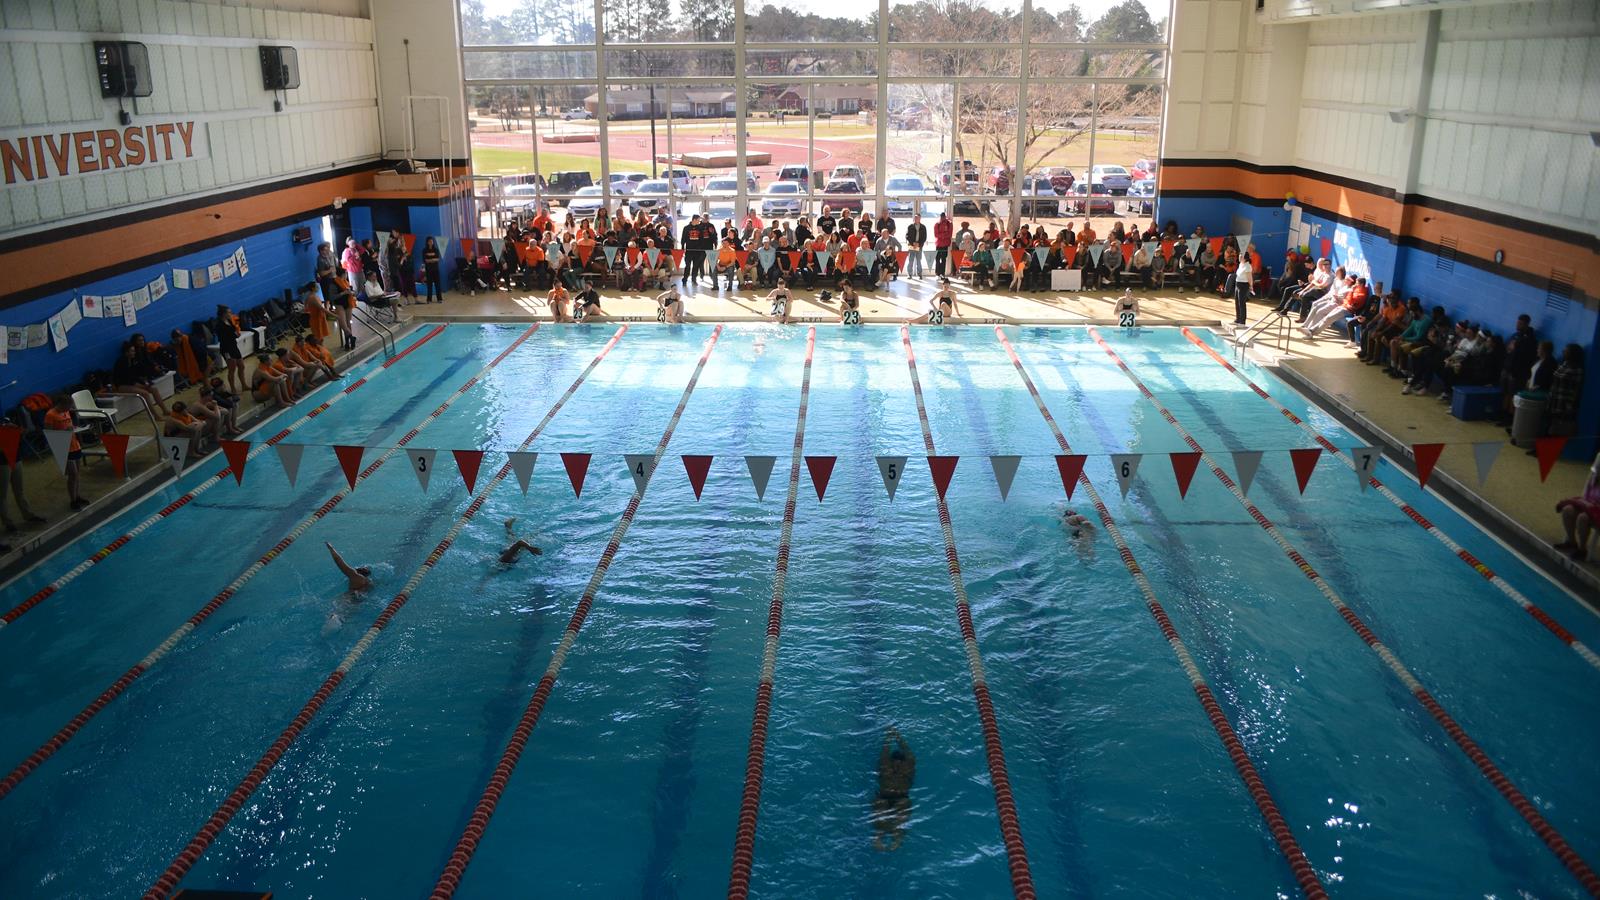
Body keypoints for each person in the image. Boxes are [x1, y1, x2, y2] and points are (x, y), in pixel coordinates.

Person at [872, 726, 915, 852]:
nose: (897, 765)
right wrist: (890, 736)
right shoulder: (886, 765)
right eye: (895, 762)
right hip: (883, 797)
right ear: (891, 761)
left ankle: (897, 838)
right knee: (881, 804)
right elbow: (886, 751)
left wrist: (896, 736)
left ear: (903, 762)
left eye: (899, 762)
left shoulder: (907, 766)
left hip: (902, 798)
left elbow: (908, 752)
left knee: (903, 805)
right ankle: (879, 837)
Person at [42, 396, 88, 511]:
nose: (69, 409)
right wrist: (64, 432)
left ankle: (77, 496)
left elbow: (69, 427)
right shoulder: (50, 415)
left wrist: (75, 429)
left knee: (77, 474)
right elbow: (49, 434)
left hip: (74, 445)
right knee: (72, 474)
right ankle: (72, 501)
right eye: (68, 406)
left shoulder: (66, 412)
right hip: (63, 447)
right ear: (62, 404)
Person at [1555, 454, 1600, 561]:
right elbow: (1585, 495)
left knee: (1583, 518)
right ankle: (1571, 542)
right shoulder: (1594, 477)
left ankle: (1582, 549)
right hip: (1589, 507)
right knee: (1568, 510)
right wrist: (1584, 504)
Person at [112, 338, 171, 415]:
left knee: (154, 389)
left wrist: (144, 382)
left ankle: (165, 411)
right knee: (145, 393)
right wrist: (141, 385)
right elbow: (126, 379)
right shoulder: (121, 362)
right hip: (122, 385)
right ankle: (155, 416)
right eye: (132, 351)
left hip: (132, 383)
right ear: (126, 352)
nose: (134, 353)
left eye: (134, 351)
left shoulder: (132, 360)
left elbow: (135, 375)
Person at [1230, 249, 1254, 326]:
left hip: (1244, 285)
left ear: (1245, 258)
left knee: (1242, 303)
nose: (1239, 257)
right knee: (1237, 302)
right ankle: (1238, 319)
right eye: (1239, 256)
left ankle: (1242, 321)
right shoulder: (1241, 264)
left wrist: (1251, 286)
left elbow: (1250, 277)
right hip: (1238, 284)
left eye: (1241, 256)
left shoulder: (1248, 266)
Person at [421, 237, 444, 303]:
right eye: (429, 241)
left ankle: (439, 299)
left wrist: (430, 259)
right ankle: (429, 299)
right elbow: (425, 260)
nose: (431, 242)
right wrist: (433, 259)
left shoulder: (436, 249)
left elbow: (437, 259)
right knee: (429, 285)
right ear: (427, 242)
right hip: (428, 270)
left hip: (436, 269)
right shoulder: (424, 250)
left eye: (432, 241)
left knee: (438, 284)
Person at [904, 214, 927, 278]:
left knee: (919, 260)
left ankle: (919, 273)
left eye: (918, 218)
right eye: (915, 218)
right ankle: (909, 274)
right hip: (911, 246)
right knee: (910, 260)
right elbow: (907, 236)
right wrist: (913, 243)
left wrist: (918, 244)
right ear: (914, 219)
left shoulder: (923, 227)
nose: (916, 219)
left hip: (919, 246)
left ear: (920, 219)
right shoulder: (910, 227)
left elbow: (924, 237)